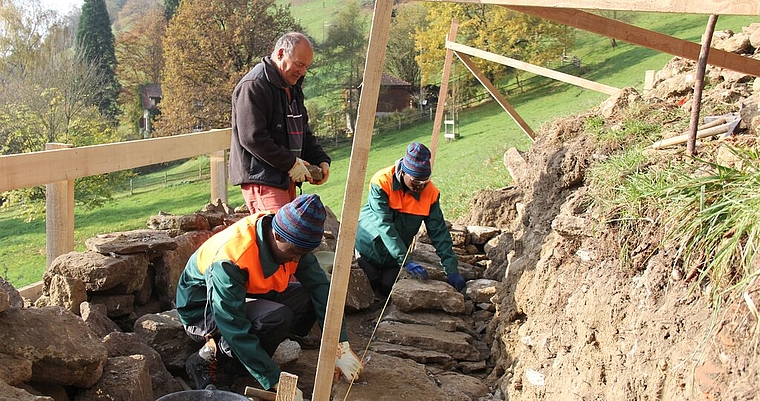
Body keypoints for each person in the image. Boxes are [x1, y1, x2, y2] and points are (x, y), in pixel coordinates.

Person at [176, 194, 363, 397]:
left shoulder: (290, 233)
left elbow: (320, 286)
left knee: (308, 297)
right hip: (203, 312)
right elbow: (232, 325)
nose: (298, 259)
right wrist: (275, 381)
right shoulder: (231, 258)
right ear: (278, 236)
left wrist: (340, 344)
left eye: (303, 254)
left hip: (243, 295)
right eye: (295, 252)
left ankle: (261, 349)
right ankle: (209, 357)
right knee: (276, 317)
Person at [229, 32, 331, 214]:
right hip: (263, 180)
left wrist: (321, 159)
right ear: (281, 54)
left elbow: (302, 131)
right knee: (280, 239)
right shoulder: (254, 85)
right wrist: (292, 164)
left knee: (287, 238)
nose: (303, 72)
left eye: (306, 66)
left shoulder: (292, 87)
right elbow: (253, 138)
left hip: (285, 178)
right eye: (299, 64)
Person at [354, 142, 466, 297]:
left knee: (387, 289)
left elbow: (439, 232)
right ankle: (359, 258)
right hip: (369, 246)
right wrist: (405, 260)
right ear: (404, 173)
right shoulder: (381, 182)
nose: (420, 186)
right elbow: (384, 225)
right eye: (415, 181)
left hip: (395, 257)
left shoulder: (430, 194)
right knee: (370, 283)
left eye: (424, 181)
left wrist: (452, 269)